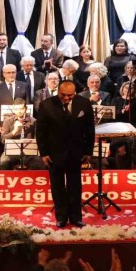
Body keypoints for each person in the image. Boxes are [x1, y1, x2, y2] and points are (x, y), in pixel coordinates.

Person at [36, 80, 94, 228]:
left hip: (77, 152)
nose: (67, 98)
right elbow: (40, 132)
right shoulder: (46, 105)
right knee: (57, 186)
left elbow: (90, 129)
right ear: (58, 91)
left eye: (70, 95)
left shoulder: (84, 103)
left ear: (75, 93)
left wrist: (88, 151)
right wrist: (43, 153)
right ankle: (61, 217)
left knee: (75, 185)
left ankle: (76, 217)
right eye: (64, 95)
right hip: (54, 153)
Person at [0, 99, 44, 170]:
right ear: (13, 109)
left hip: (29, 153)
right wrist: (14, 131)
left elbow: (38, 140)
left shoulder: (34, 121)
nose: (19, 111)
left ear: (26, 109)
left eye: (21, 109)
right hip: (12, 152)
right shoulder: (8, 121)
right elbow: (3, 140)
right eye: (16, 109)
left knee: (38, 162)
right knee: (4, 161)